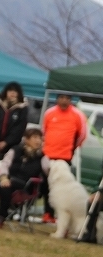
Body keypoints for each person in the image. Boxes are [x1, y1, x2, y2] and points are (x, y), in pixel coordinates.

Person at [0, 127, 44, 228]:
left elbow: (48, 169)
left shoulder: (42, 156)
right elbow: (4, 164)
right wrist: (3, 177)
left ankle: (1, 216)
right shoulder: (15, 150)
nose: (38, 141)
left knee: (7, 185)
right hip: (8, 180)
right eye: (35, 137)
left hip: (26, 185)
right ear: (26, 139)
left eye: (40, 138)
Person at [41, 94, 87, 223]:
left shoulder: (77, 114)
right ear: (57, 99)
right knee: (46, 185)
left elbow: (82, 134)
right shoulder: (49, 113)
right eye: (61, 97)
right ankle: (48, 213)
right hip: (48, 155)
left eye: (67, 98)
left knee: (63, 187)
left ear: (70, 100)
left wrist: (72, 148)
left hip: (64, 156)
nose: (64, 100)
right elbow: (44, 131)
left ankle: (62, 215)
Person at [0, 82, 28, 161]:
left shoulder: (22, 108)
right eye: (10, 91)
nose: (12, 93)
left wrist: (6, 142)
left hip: (12, 146)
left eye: (15, 91)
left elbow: (19, 128)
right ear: (6, 92)